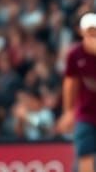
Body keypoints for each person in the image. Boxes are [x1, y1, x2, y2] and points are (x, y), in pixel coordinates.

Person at [57, 11, 96, 172]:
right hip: (85, 114)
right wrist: (68, 111)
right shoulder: (75, 54)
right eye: (89, 31)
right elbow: (69, 83)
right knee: (85, 155)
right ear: (81, 32)